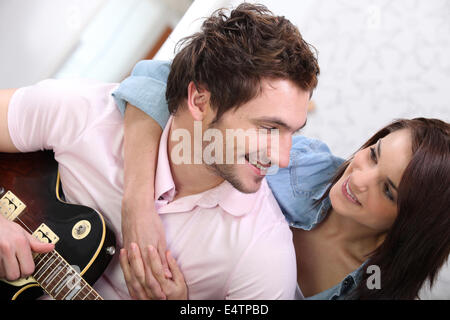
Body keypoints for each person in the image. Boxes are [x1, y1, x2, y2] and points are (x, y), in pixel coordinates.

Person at [0, 3, 321, 299]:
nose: (281, 158)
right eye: (269, 128)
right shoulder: (83, 113)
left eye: (292, 131)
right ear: (200, 101)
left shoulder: (264, 256)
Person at [114, 59, 450, 299]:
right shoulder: (302, 163)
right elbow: (160, 78)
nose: (360, 177)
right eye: (374, 154)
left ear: (414, 225)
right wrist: (138, 205)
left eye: (388, 191)